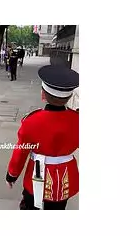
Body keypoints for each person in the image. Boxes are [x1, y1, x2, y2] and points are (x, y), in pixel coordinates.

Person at [5, 65, 79, 210]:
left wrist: (11, 175)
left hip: (36, 176)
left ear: (43, 95)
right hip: (66, 179)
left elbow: (21, 152)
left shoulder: (31, 121)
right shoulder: (78, 119)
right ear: (70, 96)